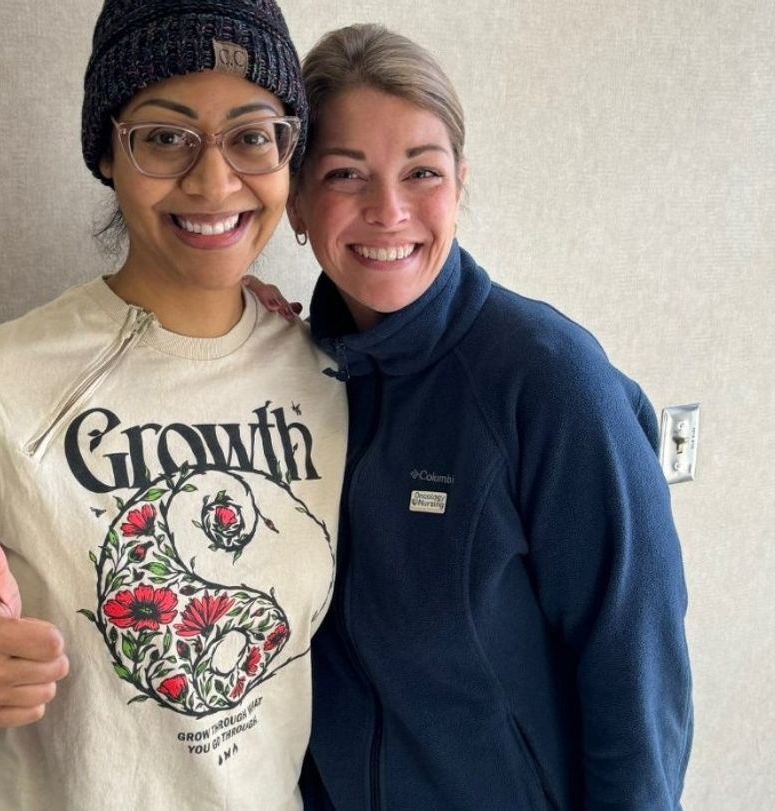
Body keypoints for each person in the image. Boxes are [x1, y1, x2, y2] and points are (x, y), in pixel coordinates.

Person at [0, 2, 348, 809]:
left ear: (289, 151)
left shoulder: (330, 377)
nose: (214, 180)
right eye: (165, 136)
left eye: (252, 133)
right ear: (105, 154)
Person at [253, 22, 693, 810]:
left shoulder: (549, 380)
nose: (389, 211)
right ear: (298, 201)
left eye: (421, 171)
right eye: (348, 174)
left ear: (459, 184)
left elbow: (638, 672)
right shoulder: (289, 375)